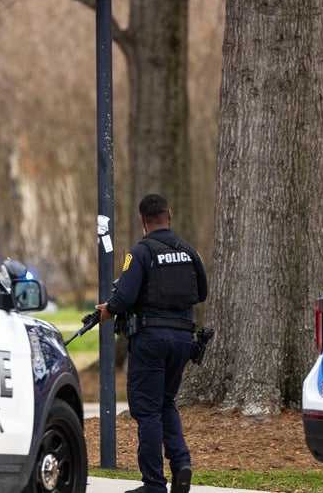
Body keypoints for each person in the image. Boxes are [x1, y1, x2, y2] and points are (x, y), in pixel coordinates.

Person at [97, 194, 208, 493]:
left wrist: (108, 309)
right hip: (183, 340)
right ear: (169, 215)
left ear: (141, 219)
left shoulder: (141, 252)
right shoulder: (189, 251)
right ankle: (181, 463)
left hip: (151, 341)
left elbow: (124, 297)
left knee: (147, 411)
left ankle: (154, 484)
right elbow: (203, 292)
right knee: (166, 402)